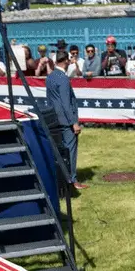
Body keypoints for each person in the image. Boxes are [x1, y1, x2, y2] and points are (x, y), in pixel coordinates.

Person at [43, 53, 87, 190]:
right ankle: (72, 180)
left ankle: (61, 178)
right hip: (66, 120)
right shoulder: (63, 78)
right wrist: (74, 122)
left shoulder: (50, 76)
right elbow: (66, 102)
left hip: (54, 118)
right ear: (66, 61)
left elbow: (50, 100)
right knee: (70, 150)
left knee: (58, 150)